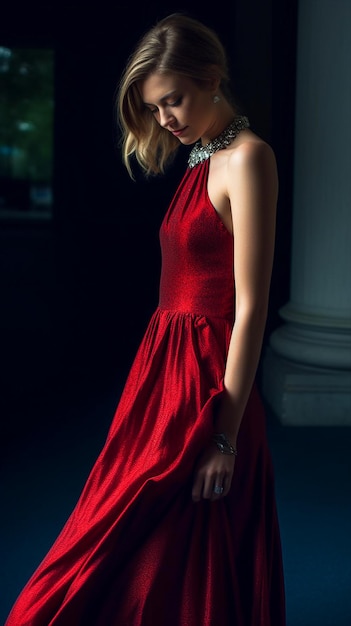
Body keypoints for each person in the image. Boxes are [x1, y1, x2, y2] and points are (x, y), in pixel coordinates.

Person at [5, 12, 286, 626]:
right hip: (162, 374)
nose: (164, 120)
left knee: (179, 538)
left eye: (173, 101)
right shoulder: (198, 160)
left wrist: (223, 436)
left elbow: (250, 309)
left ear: (212, 76)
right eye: (155, 108)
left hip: (208, 386)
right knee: (118, 527)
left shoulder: (247, 159)